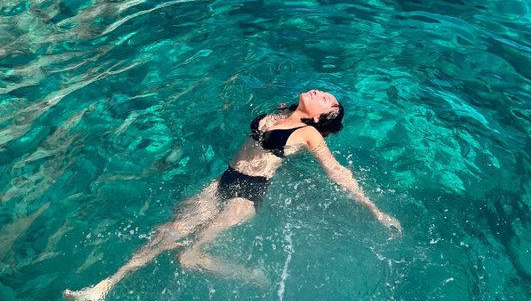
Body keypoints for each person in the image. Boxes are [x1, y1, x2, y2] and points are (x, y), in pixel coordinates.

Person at [64, 90, 401, 300]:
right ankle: (103, 287)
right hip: (223, 180)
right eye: (324, 93)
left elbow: (337, 171)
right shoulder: (279, 112)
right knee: (166, 234)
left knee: (188, 254)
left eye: (327, 100)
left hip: (248, 193)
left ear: (318, 117)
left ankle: (252, 276)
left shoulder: (308, 133)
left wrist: (374, 209)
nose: (321, 93)